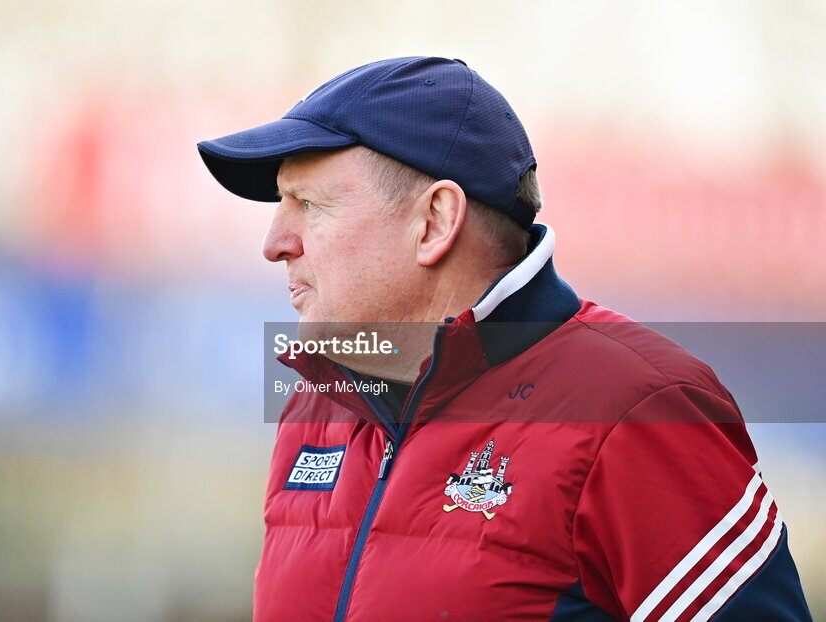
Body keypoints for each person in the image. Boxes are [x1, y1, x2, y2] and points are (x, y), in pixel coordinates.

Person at [197, 57, 811, 621]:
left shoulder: (636, 408)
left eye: (309, 205)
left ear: (434, 222)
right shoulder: (317, 403)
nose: (275, 242)